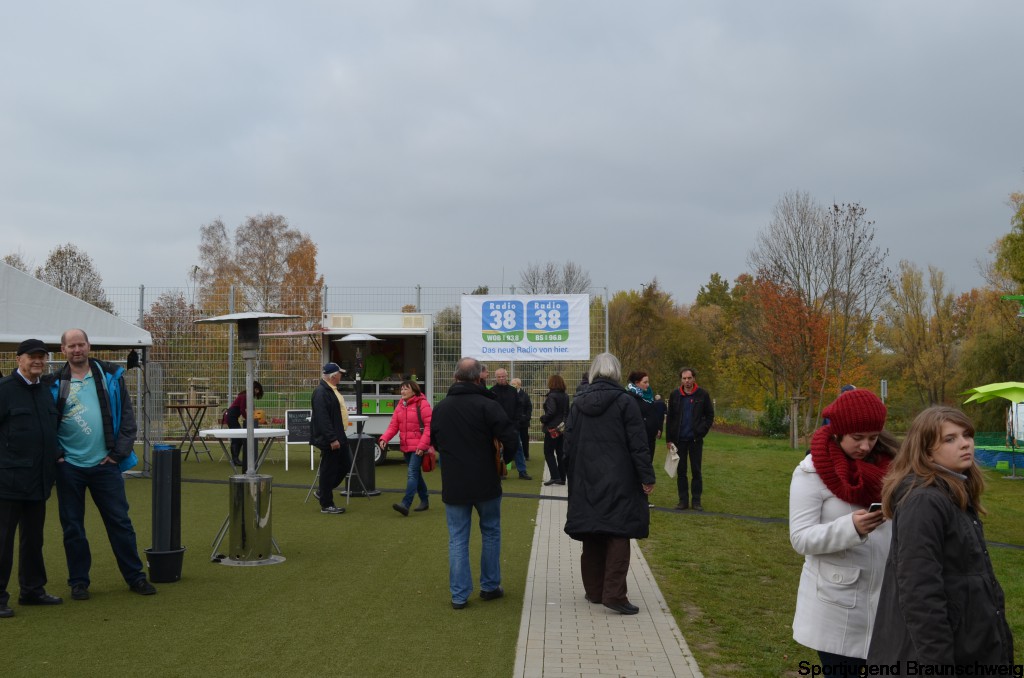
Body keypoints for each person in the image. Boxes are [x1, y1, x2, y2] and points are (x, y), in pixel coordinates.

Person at [867, 406, 1014, 666]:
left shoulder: (953, 492)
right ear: (926, 452)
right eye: (950, 439)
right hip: (939, 654)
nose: (965, 443)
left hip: (970, 645)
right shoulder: (925, 501)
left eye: (967, 435)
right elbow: (919, 593)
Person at [789, 388, 894, 672]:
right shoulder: (810, 472)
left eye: (873, 437)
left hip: (885, 603)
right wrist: (850, 528)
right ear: (838, 432)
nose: (866, 446)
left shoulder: (892, 469)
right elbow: (800, 538)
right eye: (857, 438)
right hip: (836, 607)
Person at [50, 329, 156, 600]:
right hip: (69, 468)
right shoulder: (53, 383)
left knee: (120, 523)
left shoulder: (111, 375)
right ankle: (78, 582)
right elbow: (46, 424)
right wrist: (57, 455)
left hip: (105, 465)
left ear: (89, 346)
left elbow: (128, 419)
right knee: (73, 527)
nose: (77, 350)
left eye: (81, 344)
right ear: (63, 350)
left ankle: (135, 577)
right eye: (71, 346)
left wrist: (118, 455)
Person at [563, 353, 655, 615]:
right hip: (619, 476)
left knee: (592, 531)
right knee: (618, 533)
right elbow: (638, 444)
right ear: (616, 373)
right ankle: (614, 594)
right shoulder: (626, 402)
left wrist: (571, 473)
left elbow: (568, 444)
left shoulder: (578, 403)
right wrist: (646, 477)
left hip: (586, 477)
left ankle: (595, 590)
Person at [430, 357, 519, 609]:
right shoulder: (488, 405)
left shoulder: (442, 407)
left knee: (457, 538)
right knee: (490, 532)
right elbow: (511, 437)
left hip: (454, 482)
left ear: (455, 377)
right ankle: (489, 586)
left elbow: (435, 441)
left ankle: (459, 595)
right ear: (480, 377)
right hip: (486, 480)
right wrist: (503, 461)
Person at [0, 339, 63, 618]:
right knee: (2, 542)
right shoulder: (4, 390)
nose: (38, 361)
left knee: (33, 540)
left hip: (38, 481)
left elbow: (49, 430)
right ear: (18, 360)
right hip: (8, 482)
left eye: (42, 357)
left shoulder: (45, 391)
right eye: (32, 356)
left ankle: (33, 590)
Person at [379, 380, 433, 516]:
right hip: (406, 446)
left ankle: (406, 504)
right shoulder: (400, 405)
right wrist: (384, 438)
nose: (402, 392)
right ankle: (425, 500)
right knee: (416, 474)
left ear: (414, 390)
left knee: (412, 473)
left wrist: (422, 446)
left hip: (418, 447)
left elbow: (429, 427)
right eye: (401, 389)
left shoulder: (423, 404)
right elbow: (393, 426)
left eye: (405, 389)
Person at [665, 367, 714, 511]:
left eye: (689, 378)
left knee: (696, 471)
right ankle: (683, 501)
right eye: (684, 378)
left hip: (695, 440)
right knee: (681, 472)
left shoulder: (703, 395)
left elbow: (710, 415)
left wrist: (702, 431)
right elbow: (670, 418)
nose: (687, 381)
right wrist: (669, 439)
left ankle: (696, 501)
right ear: (681, 380)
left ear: (694, 378)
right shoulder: (675, 395)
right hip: (679, 441)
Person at [310, 362, 352, 515]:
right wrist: (332, 438)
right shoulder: (321, 392)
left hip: (338, 434)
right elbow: (323, 418)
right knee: (329, 469)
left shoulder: (329, 389)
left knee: (346, 464)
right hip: (331, 438)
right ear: (334, 376)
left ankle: (323, 492)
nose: (341, 375)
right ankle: (326, 503)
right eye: (340, 373)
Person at [490, 368, 531, 480]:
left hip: (512, 426)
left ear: (506, 376)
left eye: (503, 376)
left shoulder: (513, 391)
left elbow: (519, 407)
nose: (501, 378)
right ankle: (500, 472)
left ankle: (522, 471)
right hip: (498, 426)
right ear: (495, 378)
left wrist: (517, 422)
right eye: (499, 377)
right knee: (498, 450)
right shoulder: (492, 392)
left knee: (518, 448)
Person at [224, 380, 263, 468]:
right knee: (237, 438)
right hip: (231, 417)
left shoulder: (245, 396)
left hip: (232, 417)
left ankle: (235, 459)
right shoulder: (245, 396)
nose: (257, 392)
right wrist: (249, 419)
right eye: (257, 390)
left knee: (238, 438)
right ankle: (235, 459)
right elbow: (242, 410)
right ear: (254, 389)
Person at [539, 374, 569, 486]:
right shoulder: (565, 396)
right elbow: (567, 412)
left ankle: (555, 476)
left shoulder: (552, 396)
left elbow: (551, 412)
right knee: (560, 452)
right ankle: (562, 477)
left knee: (548, 452)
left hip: (552, 428)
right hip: (562, 428)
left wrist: (543, 418)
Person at [626, 371, 662, 464]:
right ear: (637, 383)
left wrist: (657, 428)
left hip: (651, 438)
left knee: (648, 464)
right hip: (639, 439)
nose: (648, 385)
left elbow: (652, 413)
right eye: (645, 382)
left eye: (648, 382)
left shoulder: (648, 395)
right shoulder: (630, 397)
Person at [511, 378, 532, 461]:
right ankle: (513, 455)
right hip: (513, 421)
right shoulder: (510, 394)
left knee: (524, 439)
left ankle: (526, 455)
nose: (512, 385)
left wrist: (526, 417)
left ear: (519, 385)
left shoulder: (525, 395)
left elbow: (529, 407)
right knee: (513, 439)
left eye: (514, 384)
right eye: (512, 384)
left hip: (523, 422)